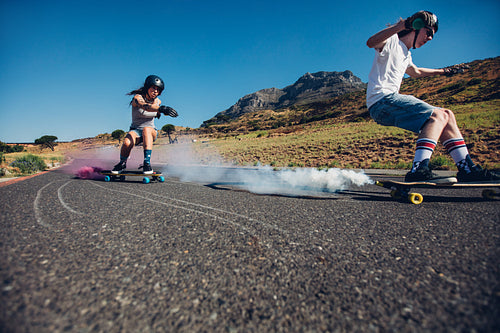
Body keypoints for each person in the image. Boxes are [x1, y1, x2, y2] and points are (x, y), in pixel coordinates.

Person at [366, 10, 499, 182]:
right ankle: (418, 170)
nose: (429, 38)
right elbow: (371, 42)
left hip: (388, 104)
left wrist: (444, 72)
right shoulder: (391, 41)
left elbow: (417, 72)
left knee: (448, 115)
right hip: (382, 101)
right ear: (416, 27)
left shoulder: (406, 54)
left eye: (432, 36)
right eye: (428, 33)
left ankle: (467, 168)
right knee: (437, 115)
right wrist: (400, 26)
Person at [112, 75, 178, 174]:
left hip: (151, 132)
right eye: (153, 88)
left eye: (158, 90)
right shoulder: (137, 98)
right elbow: (145, 107)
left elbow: (155, 111)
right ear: (147, 87)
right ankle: (122, 163)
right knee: (127, 143)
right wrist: (161, 109)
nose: (155, 91)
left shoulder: (157, 101)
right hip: (136, 130)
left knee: (146, 129)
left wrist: (163, 112)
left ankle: (147, 163)